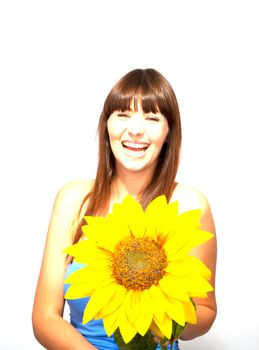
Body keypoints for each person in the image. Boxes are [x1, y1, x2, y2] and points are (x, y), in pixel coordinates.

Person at [32, 68, 217, 349]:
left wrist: (166, 317)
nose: (136, 129)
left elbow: (206, 310)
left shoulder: (190, 205)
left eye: (152, 118)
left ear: (169, 132)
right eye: (123, 114)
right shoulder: (74, 200)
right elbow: (45, 318)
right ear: (107, 125)